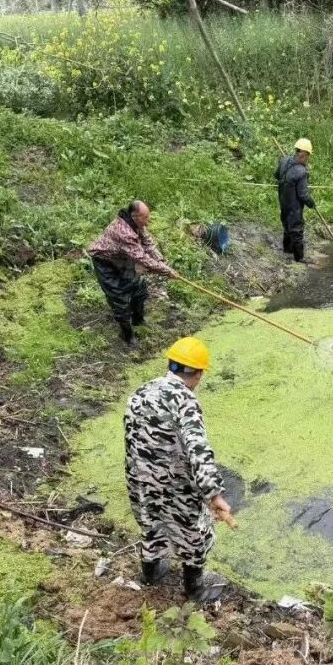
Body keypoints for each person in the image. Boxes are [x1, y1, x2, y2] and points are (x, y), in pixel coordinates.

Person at [124, 337, 233, 602]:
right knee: (194, 533)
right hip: (175, 485)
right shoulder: (186, 402)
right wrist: (214, 494)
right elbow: (199, 450)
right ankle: (195, 588)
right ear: (198, 373)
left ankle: (151, 573)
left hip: (141, 480)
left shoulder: (141, 392)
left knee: (151, 524)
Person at [88, 200, 178, 346]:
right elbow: (141, 258)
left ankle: (138, 320)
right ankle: (128, 336)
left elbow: (148, 243)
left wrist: (161, 261)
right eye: (145, 218)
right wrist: (166, 271)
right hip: (106, 263)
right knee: (119, 299)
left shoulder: (136, 224)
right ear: (135, 215)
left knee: (139, 289)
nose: (148, 221)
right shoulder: (123, 233)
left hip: (122, 258)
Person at [275, 138, 316, 263]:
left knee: (287, 224)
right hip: (294, 205)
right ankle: (299, 257)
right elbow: (303, 195)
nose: (308, 159)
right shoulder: (302, 172)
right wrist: (311, 203)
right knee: (297, 228)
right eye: (308, 155)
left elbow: (276, 175)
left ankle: (287, 249)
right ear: (303, 154)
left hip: (283, 200)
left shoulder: (284, 160)